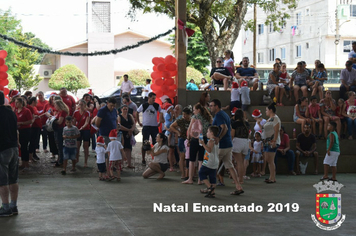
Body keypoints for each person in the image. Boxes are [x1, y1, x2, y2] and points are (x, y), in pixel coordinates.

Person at [209, 99, 244, 195]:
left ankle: (211, 188)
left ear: (217, 106)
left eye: (211, 105)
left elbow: (224, 127)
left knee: (213, 166)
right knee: (230, 166)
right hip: (228, 144)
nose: (210, 107)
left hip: (222, 145)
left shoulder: (219, 115)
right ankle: (238, 186)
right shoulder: (224, 114)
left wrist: (218, 138)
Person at [0, 91, 19, 217]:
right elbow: (16, 130)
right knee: (13, 179)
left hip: (2, 149)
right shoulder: (11, 112)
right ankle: (13, 205)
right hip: (13, 148)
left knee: (2, 181)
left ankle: (5, 207)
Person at [183, 103, 212, 184]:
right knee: (201, 160)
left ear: (198, 110)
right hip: (204, 139)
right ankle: (201, 179)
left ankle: (190, 179)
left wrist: (188, 139)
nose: (193, 111)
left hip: (195, 139)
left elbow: (189, 129)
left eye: (194, 110)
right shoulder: (208, 118)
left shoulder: (195, 117)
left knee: (192, 160)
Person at [137, 92, 162, 165]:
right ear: (149, 98)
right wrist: (139, 122)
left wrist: (160, 121)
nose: (154, 100)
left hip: (154, 126)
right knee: (145, 143)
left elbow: (161, 112)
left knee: (156, 143)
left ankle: (155, 158)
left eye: (155, 98)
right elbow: (137, 112)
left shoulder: (156, 105)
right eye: (153, 98)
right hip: (146, 126)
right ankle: (143, 159)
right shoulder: (144, 105)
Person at [95, 97, 118, 170]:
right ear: (107, 103)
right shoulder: (102, 110)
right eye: (111, 105)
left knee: (112, 150)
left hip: (113, 134)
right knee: (105, 151)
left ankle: (111, 165)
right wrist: (101, 128)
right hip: (104, 133)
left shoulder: (114, 110)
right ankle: (104, 166)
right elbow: (97, 121)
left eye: (114, 106)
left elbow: (116, 119)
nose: (112, 107)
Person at [169, 106, 192, 179]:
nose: (184, 116)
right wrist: (177, 132)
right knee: (182, 156)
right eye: (183, 114)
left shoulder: (192, 120)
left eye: (186, 114)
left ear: (189, 114)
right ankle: (183, 173)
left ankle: (189, 173)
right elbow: (171, 126)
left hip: (190, 140)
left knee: (189, 157)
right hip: (182, 139)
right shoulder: (180, 120)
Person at [45, 100, 69, 168]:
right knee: (58, 145)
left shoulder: (62, 112)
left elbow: (59, 122)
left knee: (60, 145)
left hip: (59, 130)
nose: (54, 106)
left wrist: (50, 117)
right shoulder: (59, 112)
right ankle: (59, 159)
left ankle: (61, 161)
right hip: (57, 129)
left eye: (55, 105)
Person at [262, 102, 281, 184]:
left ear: (270, 110)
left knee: (270, 159)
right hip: (267, 141)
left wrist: (274, 140)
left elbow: (276, 130)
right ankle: (271, 176)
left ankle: (273, 177)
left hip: (272, 141)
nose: (265, 111)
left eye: (266, 110)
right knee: (267, 159)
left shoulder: (275, 118)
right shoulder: (269, 119)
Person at [198, 126, 220, 198]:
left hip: (209, 161)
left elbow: (209, 150)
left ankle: (210, 187)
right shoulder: (216, 140)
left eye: (208, 131)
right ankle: (212, 193)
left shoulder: (211, 141)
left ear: (211, 133)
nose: (207, 133)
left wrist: (203, 144)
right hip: (215, 162)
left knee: (201, 173)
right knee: (212, 177)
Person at [231, 110, 250, 183]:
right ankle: (241, 179)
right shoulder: (247, 124)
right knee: (241, 162)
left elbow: (232, 135)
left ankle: (238, 179)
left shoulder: (235, 123)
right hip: (245, 142)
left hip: (237, 141)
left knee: (238, 162)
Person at [14, 97, 32, 170]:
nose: (16, 104)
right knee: (20, 147)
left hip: (25, 130)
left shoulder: (26, 111)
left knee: (24, 146)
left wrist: (21, 123)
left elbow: (30, 121)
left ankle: (26, 163)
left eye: (17, 103)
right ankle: (22, 162)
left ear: (21, 103)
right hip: (19, 130)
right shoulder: (15, 111)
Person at [73, 99, 91, 167]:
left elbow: (87, 122)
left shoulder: (87, 113)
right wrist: (75, 129)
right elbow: (74, 121)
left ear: (85, 105)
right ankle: (77, 159)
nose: (80, 106)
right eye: (79, 104)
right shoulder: (76, 112)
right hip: (78, 130)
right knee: (77, 146)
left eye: (82, 104)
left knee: (85, 146)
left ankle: (85, 162)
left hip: (85, 130)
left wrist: (81, 128)